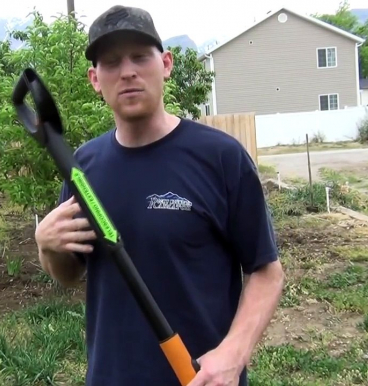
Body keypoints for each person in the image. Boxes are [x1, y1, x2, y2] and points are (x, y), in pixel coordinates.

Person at [33, 5, 285, 386]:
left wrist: (234, 353)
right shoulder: (83, 168)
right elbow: (71, 273)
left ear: (165, 64)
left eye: (140, 57)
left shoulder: (220, 158)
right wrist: (48, 247)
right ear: (95, 80)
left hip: (200, 378)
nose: (128, 71)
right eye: (112, 62)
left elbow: (266, 271)